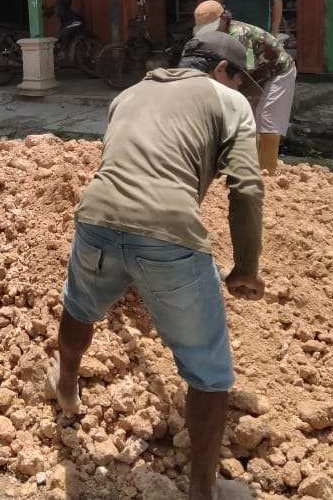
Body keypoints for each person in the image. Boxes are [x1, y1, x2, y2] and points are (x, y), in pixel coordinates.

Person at [49, 30, 265, 500]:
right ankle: (203, 493)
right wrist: (246, 267)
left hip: (97, 216)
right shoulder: (228, 101)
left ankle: (66, 389)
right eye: (240, 77)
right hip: (169, 233)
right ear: (220, 70)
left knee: (80, 306)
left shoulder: (130, 93)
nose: (242, 88)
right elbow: (247, 185)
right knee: (209, 372)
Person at [194, 0, 296, 174]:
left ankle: (267, 172)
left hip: (278, 71)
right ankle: (247, 167)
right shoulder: (208, 37)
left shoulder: (238, 36)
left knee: (267, 119)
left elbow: (241, 74)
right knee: (248, 121)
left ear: (224, 19)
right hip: (254, 73)